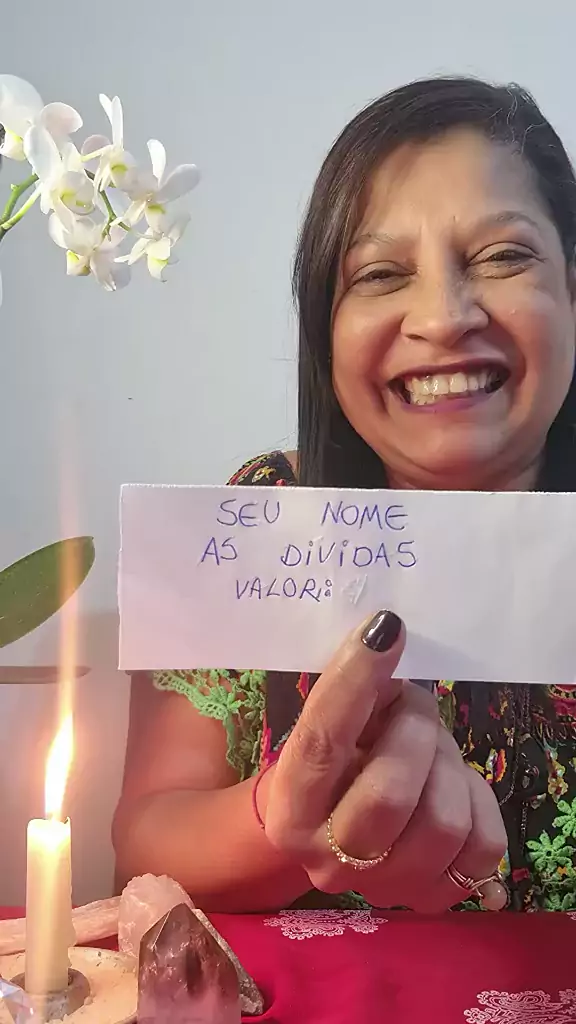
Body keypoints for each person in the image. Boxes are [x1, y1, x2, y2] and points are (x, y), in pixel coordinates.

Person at [113, 76, 576, 915]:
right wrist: (282, 819)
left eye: (503, 256)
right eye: (381, 272)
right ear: (324, 326)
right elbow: (146, 839)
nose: (443, 317)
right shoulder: (258, 515)